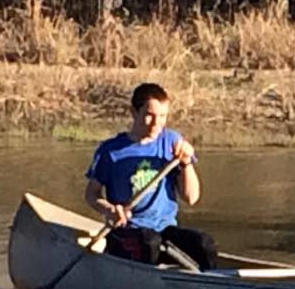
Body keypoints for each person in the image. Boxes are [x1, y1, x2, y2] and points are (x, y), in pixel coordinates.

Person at [84, 82, 218, 270]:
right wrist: (109, 209)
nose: (157, 124)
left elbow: (192, 198)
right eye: (150, 116)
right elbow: (92, 194)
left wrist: (186, 163)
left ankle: (209, 287)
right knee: (150, 243)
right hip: (128, 230)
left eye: (162, 116)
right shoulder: (110, 150)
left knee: (204, 244)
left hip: (165, 229)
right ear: (134, 112)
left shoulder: (172, 142)